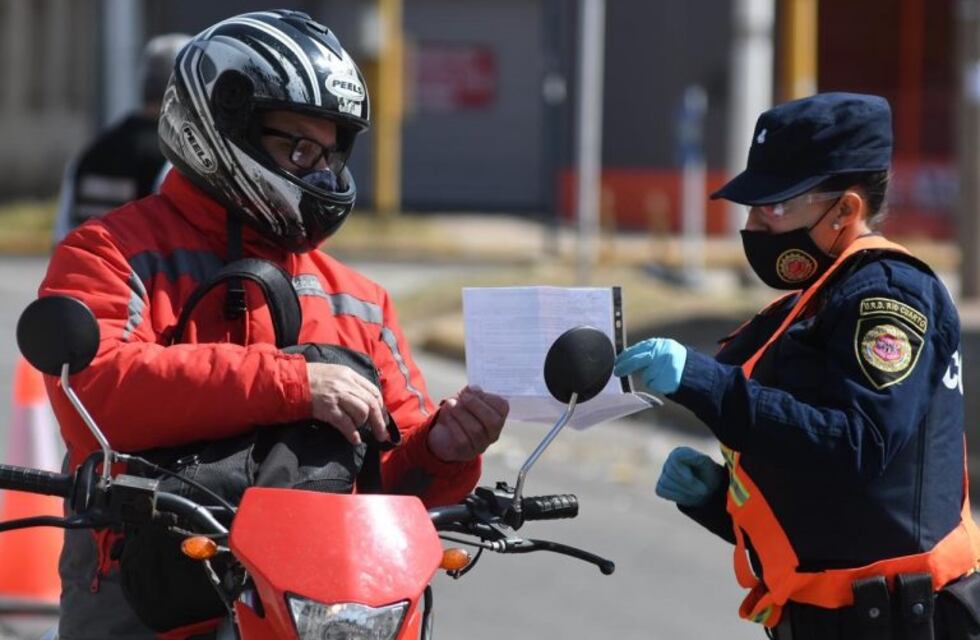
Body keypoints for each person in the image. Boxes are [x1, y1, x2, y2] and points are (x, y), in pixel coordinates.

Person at [39, 10, 508, 638]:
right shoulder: (109, 253)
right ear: (223, 125)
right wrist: (294, 383)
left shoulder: (359, 299)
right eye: (299, 148)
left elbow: (390, 485)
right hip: (149, 589)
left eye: (330, 151)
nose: (319, 172)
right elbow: (99, 391)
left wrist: (444, 451)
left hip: (321, 601)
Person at [615, 93, 980, 639]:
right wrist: (719, 500)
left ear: (846, 211)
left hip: (904, 623)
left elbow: (857, 443)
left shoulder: (888, 296)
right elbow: (836, 507)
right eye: (752, 207)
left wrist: (703, 382)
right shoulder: (812, 302)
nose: (755, 224)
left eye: (775, 207)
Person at [51, 33, 190, 244]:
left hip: (81, 261)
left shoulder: (91, 153)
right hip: (135, 264)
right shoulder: (176, 157)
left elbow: (62, 233)